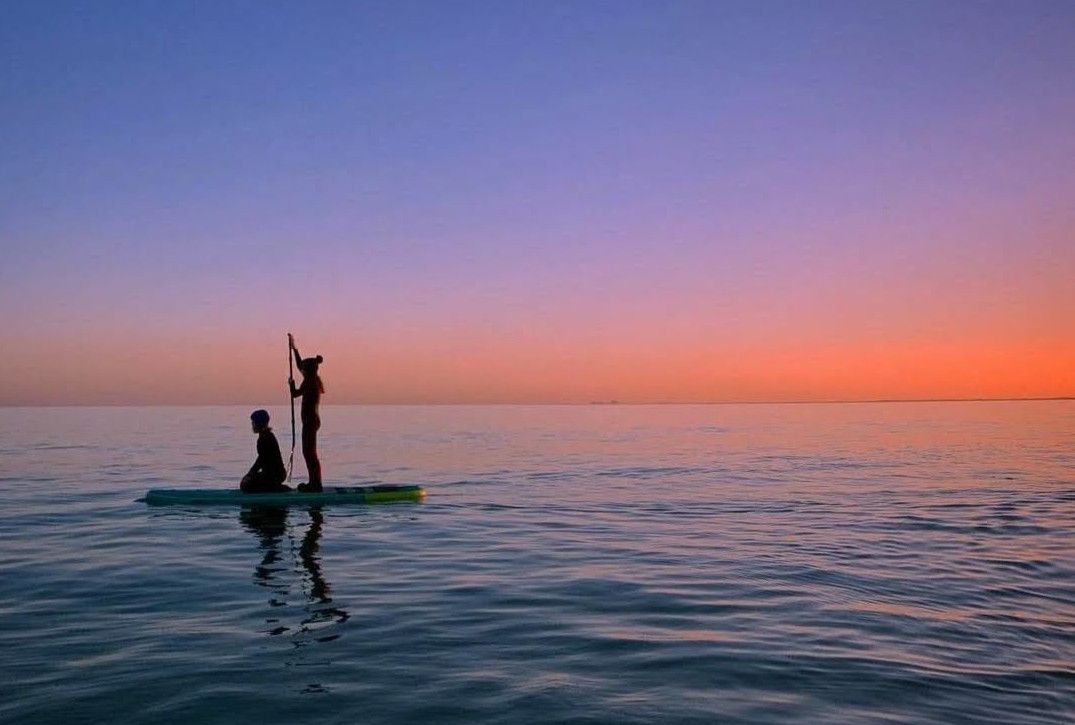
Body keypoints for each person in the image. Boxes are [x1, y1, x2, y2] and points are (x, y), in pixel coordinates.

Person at [289, 334, 324, 492]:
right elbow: (298, 365)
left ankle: (315, 484)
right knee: (309, 452)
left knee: (309, 453)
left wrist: (291, 385)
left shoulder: (310, 382)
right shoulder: (312, 379)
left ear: (308, 370)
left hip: (310, 422)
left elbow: (295, 394)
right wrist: (294, 348)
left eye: (303, 369)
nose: (301, 370)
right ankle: (314, 482)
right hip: (311, 421)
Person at [241, 409, 290, 493]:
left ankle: (277, 489)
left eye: (253, 422)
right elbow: (261, 459)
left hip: (274, 475)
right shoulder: (267, 435)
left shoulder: (264, 438)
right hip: (275, 474)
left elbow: (261, 460)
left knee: (246, 486)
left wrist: (249, 475)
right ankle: (274, 487)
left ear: (258, 423)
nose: (252, 425)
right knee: (247, 483)